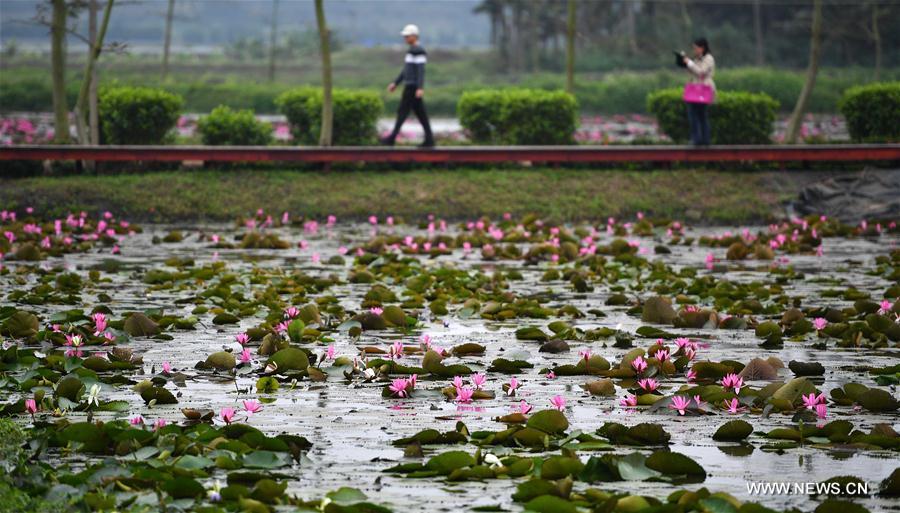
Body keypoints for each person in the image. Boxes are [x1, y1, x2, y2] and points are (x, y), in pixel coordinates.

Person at [381, 24, 435, 148]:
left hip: (412, 87)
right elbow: (406, 70)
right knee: (421, 114)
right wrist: (396, 83)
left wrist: (420, 88)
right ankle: (429, 140)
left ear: (414, 36)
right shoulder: (411, 51)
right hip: (411, 86)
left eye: (407, 36)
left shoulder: (418, 51)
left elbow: (421, 71)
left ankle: (392, 138)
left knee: (402, 112)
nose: (405, 38)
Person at [680, 38, 715, 146]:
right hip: (695, 90)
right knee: (694, 115)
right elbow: (693, 71)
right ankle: (698, 139)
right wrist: (684, 63)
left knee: (701, 115)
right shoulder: (697, 59)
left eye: (696, 48)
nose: (694, 50)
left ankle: (703, 139)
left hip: (703, 90)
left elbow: (701, 72)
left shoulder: (708, 58)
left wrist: (690, 63)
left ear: (702, 48)